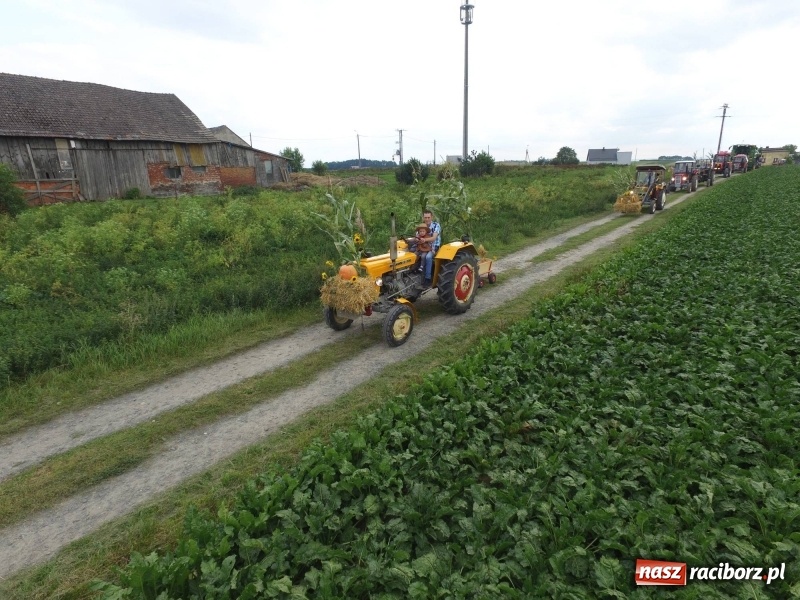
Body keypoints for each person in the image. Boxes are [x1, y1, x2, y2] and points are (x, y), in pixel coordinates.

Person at [418, 210, 441, 288]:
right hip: (423, 247)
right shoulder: (422, 226)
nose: (427, 219)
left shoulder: (436, 225)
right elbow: (417, 236)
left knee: (428, 257)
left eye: (428, 217)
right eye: (425, 217)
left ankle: (428, 279)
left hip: (434, 247)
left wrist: (424, 240)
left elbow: (434, 238)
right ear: (423, 218)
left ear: (432, 217)